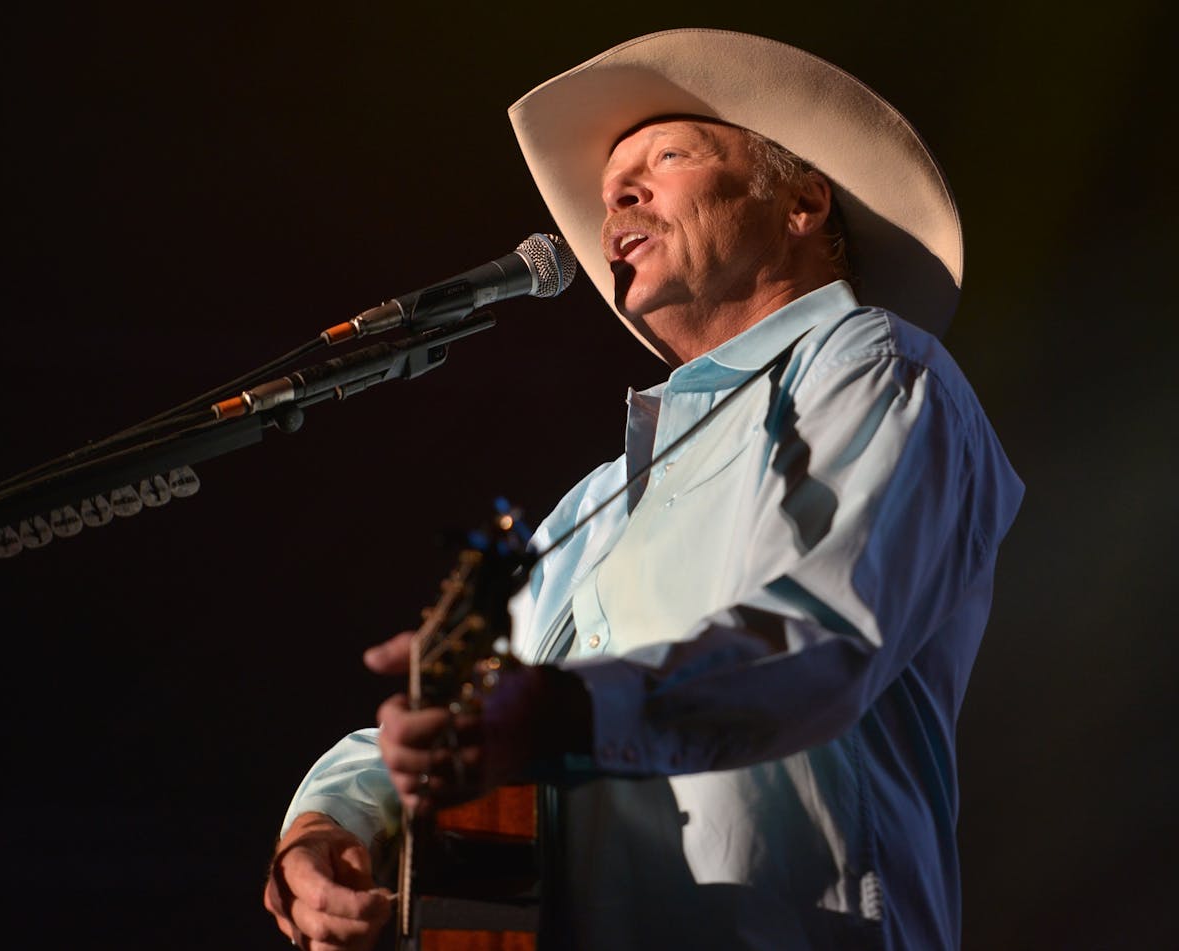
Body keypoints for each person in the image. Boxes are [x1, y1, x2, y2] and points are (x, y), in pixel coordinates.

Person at [263, 28, 1023, 951]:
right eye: (611, 180)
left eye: (666, 157)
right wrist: (327, 825)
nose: (616, 192)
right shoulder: (592, 504)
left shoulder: (879, 367)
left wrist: (563, 712)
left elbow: (819, 633)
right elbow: (465, 715)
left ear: (802, 202)